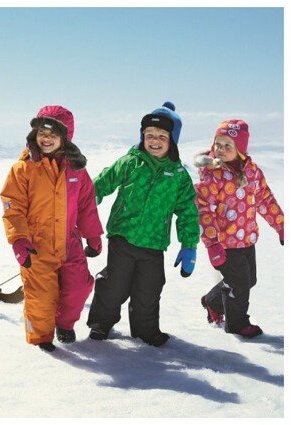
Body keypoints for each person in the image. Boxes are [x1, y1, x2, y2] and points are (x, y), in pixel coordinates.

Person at [86, 102, 200, 347]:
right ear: (142, 137)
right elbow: (101, 184)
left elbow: (188, 211)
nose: (155, 141)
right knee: (114, 285)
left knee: (149, 290)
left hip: (154, 244)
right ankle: (101, 323)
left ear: (173, 140)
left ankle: (145, 330)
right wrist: (83, 209)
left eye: (161, 136)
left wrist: (189, 244)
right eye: (149, 135)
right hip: (123, 237)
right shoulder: (130, 162)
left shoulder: (179, 175)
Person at [0, 105, 103, 352]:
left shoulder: (76, 168)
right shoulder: (23, 168)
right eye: (41, 133)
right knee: (41, 298)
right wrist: (19, 240)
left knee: (80, 287)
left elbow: (87, 204)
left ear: (65, 138)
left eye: (53, 135)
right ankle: (41, 338)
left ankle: (65, 324)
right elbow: (13, 207)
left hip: (69, 242)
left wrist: (93, 235)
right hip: (37, 246)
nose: (46, 139)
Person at [194, 120, 283, 338]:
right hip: (225, 242)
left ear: (241, 150)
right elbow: (203, 210)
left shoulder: (252, 172)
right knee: (240, 282)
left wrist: (280, 224)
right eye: (218, 144)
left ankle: (212, 301)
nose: (221, 149)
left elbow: (265, 199)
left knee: (249, 280)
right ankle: (237, 323)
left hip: (247, 238)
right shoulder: (212, 175)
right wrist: (212, 244)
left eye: (228, 145)